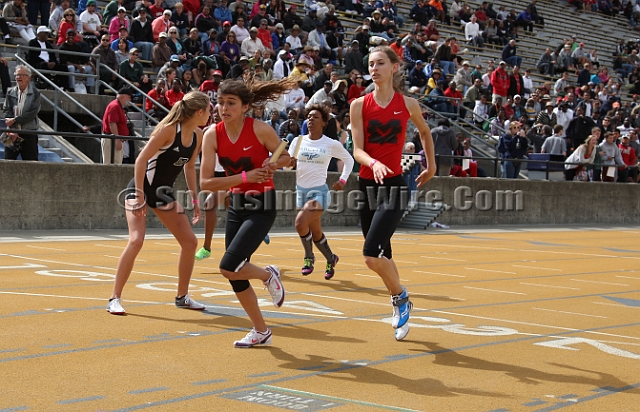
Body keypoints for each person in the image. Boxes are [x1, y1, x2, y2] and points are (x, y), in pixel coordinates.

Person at [350, 46, 436, 341]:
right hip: (367, 184)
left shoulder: (407, 104)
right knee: (383, 252)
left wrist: (432, 165)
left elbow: (425, 132)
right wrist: (372, 163)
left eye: (380, 63)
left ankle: (400, 298)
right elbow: (357, 150)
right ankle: (401, 304)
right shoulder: (359, 105)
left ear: (394, 68)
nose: (374, 68)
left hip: (395, 185)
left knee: (370, 256)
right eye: (371, 64)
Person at [200, 77, 294, 347]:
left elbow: (287, 157)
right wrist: (245, 176)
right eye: (220, 102)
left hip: (262, 204)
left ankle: (268, 276)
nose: (223, 108)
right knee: (234, 273)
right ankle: (261, 329)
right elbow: (206, 182)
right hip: (236, 204)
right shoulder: (211, 135)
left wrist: (274, 165)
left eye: (231, 103)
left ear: (245, 107)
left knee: (229, 266)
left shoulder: (260, 129)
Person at [107, 91, 210, 315]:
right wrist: (141, 196)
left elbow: (190, 167)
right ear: (199, 112)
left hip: (163, 193)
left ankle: (182, 296)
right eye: (209, 110)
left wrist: (195, 199)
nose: (211, 114)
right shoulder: (169, 130)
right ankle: (114, 298)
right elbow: (141, 159)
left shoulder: (198, 135)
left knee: (190, 242)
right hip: (140, 187)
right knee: (136, 240)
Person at [288, 104, 353, 280]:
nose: (310, 119)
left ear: (324, 122)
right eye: (308, 117)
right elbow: (288, 163)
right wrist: (288, 163)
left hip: (319, 193)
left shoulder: (330, 143)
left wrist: (342, 180)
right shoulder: (298, 141)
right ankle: (331, 258)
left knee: (300, 223)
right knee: (315, 233)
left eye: (315, 117)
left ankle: (309, 257)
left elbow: (349, 160)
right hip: (301, 191)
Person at [3, 65, 41, 161]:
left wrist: (15, 120)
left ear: (28, 78)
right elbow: (6, 110)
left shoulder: (36, 93)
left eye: (22, 75)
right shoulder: (10, 92)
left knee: (31, 163)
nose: (19, 77)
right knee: (8, 163)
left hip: (28, 133)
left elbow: (32, 113)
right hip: (11, 133)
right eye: (17, 75)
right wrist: (12, 129)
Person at [101, 86, 132, 164]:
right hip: (111, 140)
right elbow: (112, 123)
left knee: (117, 163)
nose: (130, 100)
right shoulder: (114, 106)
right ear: (123, 97)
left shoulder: (118, 106)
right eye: (129, 97)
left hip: (115, 139)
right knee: (110, 165)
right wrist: (117, 140)